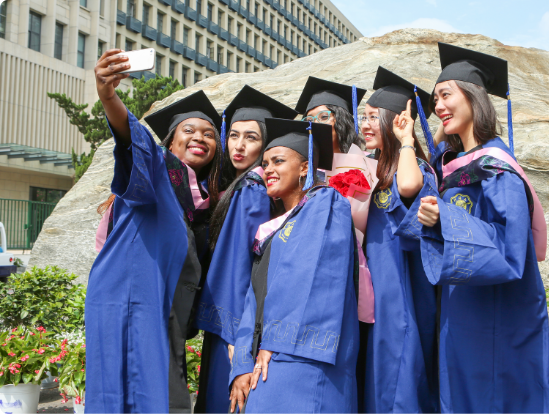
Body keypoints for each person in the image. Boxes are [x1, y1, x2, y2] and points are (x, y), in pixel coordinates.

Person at [413, 42, 549, 413]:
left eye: (446, 95)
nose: (438, 106)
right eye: (435, 99)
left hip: (496, 314)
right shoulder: (454, 166)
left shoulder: (496, 169)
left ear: (474, 97)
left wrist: (446, 220)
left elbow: (511, 248)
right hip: (460, 308)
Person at [86, 49, 223, 414]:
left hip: (164, 310)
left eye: (210, 134)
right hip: (132, 302)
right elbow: (133, 139)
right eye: (188, 130)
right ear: (171, 142)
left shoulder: (205, 202)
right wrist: (108, 96)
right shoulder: (157, 170)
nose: (200, 137)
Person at [228, 119, 359, 413]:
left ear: (304, 167)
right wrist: (242, 363)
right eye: (265, 164)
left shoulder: (325, 202)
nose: (268, 170)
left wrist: (275, 342)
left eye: (278, 161)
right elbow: (254, 296)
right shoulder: (272, 229)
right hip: (267, 356)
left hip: (303, 357)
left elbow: (314, 276)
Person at [193, 85, 298, 414]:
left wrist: (236, 338)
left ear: (265, 144)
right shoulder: (245, 185)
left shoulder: (252, 189)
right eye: (234, 135)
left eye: (251, 138)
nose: (238, 145)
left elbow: (240, 265)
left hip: (234, 319)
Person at [360, 66, 440, 414]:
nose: (365, 125)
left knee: (398, 369)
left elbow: (408, 187)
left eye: (373, 117)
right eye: (363, 117)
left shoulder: (414, 167)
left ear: (396, 121)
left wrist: (406, 140)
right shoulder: (369, 167)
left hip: (400, 287)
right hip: (372, 286)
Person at [296, 76, 367, 153]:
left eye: (323, 117)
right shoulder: (303, 161)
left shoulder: (366, 159)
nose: (315, 124)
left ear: (342, 121)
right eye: (309, 120)